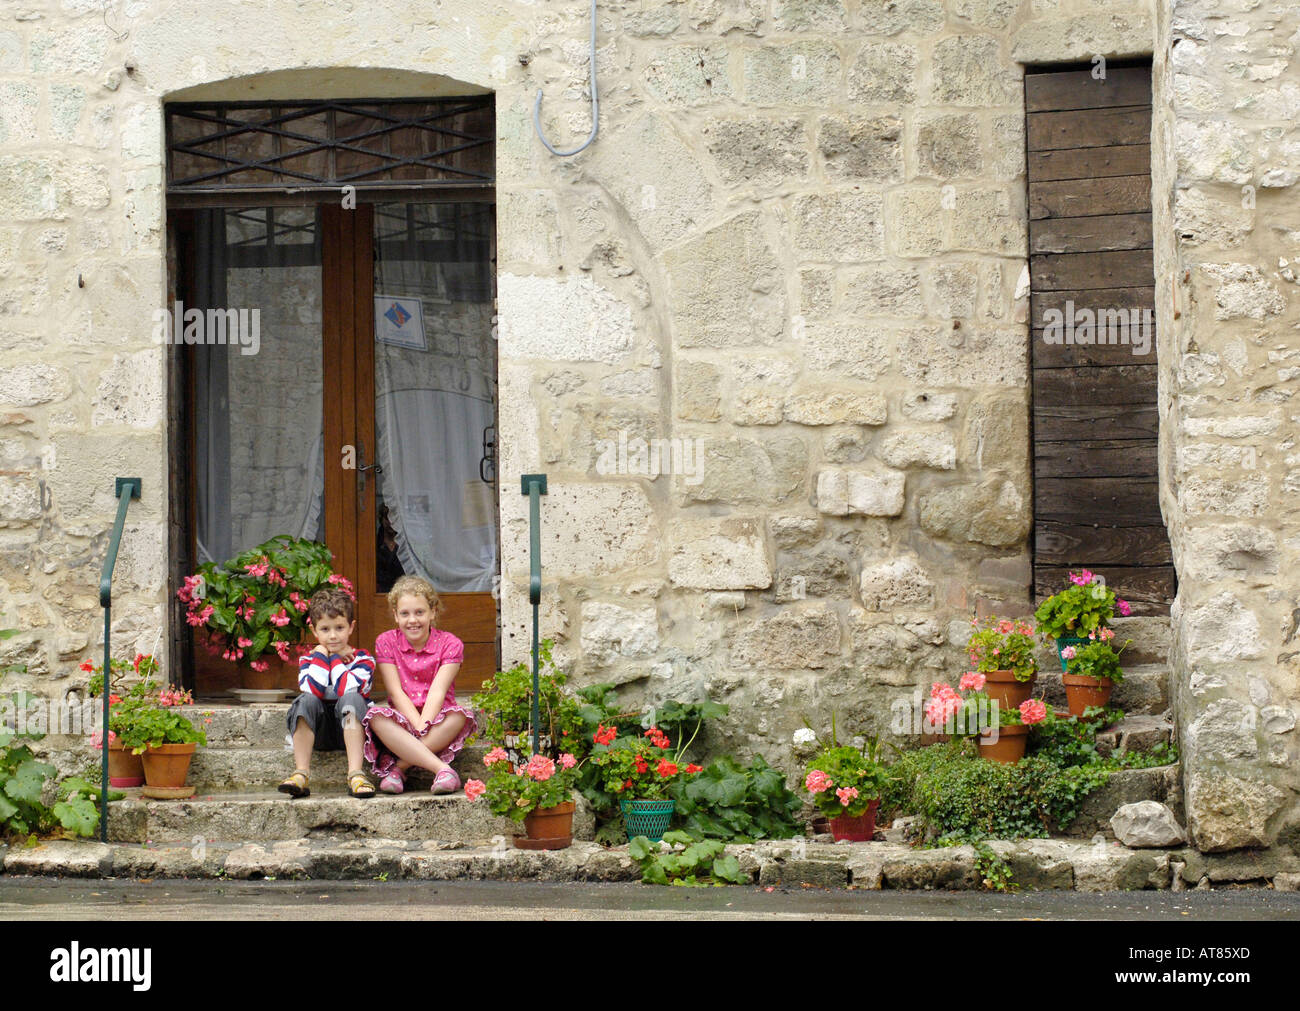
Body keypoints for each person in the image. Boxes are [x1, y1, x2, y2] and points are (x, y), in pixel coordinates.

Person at [362, 575, 477, 794]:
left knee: (459, 716)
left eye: (420, 612)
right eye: (404, 613)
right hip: (403, 719)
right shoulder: (385, 641)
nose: (412, 620)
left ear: (433, 612)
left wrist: (424, 725)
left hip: (438, 718)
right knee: (375, 717)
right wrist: (415, 725)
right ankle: (442, 770)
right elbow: (395, 692)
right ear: (395, 615)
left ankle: (397, 770)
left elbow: (438, 691)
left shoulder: (451, 644)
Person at [277, 587, 376, 799]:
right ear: (314, 631)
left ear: (351, 627)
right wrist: (323, 654)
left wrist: (335, 658)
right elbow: (313, 689)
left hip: (351, 731)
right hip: (318, 733)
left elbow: (346, 689)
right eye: (325, 629)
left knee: (350, 699)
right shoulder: (308, 661)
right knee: (306, 700)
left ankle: (356, 774)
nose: (332, 636)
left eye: (339, 627)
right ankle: (301, 773)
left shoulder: (364, 660)